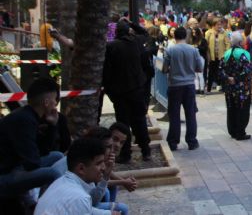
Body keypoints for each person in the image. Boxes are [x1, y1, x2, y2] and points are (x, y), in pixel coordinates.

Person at [0, 78, 63, 203]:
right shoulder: (24, 120)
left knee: (58, 156)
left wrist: (52, 126)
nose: (56, 104)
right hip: (5, 174)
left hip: (16, 167)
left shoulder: (29, 116)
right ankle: (41, 209)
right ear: (46, 102)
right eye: (55, 100)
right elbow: (32, 162)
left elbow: (44, 152)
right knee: (53, 174)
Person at [102, 20, 151, 162]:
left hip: (120, 91)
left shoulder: (111, 47)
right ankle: (145, 151)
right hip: (136, 88)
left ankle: (126, 154)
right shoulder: (136, 41)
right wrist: (132, 23)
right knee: (140, 120)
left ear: (116, 32)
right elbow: (145, 33)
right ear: (129, 31)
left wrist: (108, 89)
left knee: (123, 123)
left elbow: (107, 71)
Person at [35, 138, 118, 215]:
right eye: (99, 163)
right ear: (81, 168)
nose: (104, 167)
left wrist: (108, 213)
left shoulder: (62, 181)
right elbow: (82, 204)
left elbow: (87, 208)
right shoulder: (80, 197)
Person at [163, 26, 204, 150]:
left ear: (174, 36)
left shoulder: (170, 50)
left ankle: (173, 142)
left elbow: (165, 69)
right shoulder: (193, 50)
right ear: (185, 36)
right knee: (190, 114)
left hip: (174, 85)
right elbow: (200, 68)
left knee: (174, 115)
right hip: (189, 85)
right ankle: (192, 141)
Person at [220, 32, 252, 140]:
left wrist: (228, 78)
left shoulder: (226, 53)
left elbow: (220, 70)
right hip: (242, 88)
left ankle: (233, 131)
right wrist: (237, 78)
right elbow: (248, 69)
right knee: (242, 109)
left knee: (231, 109)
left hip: (230, 88)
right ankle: (240, 133)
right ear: (240, 42)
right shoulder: (244, 54)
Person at [205, 18, 230, 93]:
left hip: (221, 55)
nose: (219, 26)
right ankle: (209, 88)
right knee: (211, 72)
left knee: (222, 71)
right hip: (212, 56)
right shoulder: (208, 32)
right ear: (214, 25)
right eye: (218, 25)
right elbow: (206, 44)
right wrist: (208, 54)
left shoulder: (224, 32)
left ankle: (224, 87)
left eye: (220, 24)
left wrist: (226, 54)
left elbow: (228, 44)